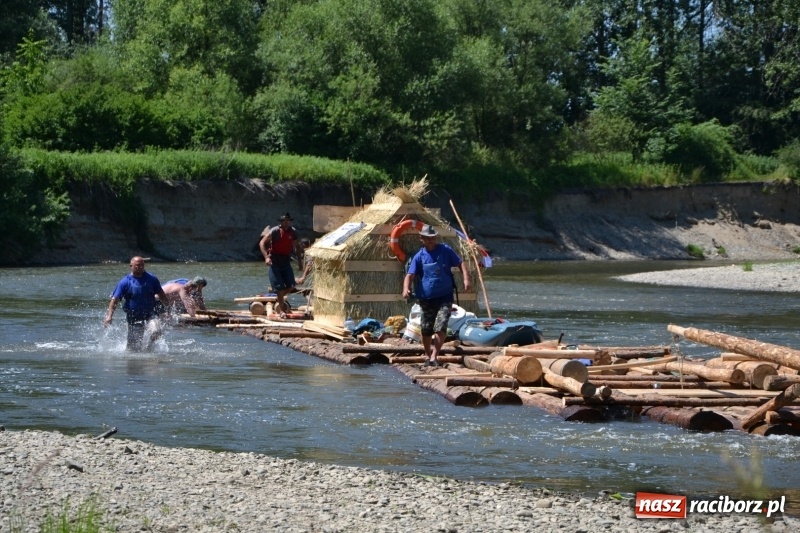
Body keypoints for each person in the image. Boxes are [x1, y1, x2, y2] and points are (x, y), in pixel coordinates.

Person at [402, 224, 471, 366]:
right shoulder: (419, 256)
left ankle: (434, 356)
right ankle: (427, 355)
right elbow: (410, 275)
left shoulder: (445, 250)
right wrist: (406, 288)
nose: (430, 240)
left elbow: (460, 263)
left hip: (445, 296)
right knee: (426, 328)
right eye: (427, 238)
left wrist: (466, 279)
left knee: (441, 324)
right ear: (421, 238)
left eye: (433, 238)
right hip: (426, 298)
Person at [104, 256, 168, 352]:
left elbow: (161, 295)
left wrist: (168, 309)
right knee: (133, 350)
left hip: (151, 314)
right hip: (133, 318)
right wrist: (109, 316)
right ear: (131, 266)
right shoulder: (125, 282)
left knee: (156, 330)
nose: (140, 267)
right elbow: (115, 300)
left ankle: (148, 349)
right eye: (138, 265)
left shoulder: (152, 279)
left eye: (142, 265)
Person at [259, 212, 304, 317]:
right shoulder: (275, 231)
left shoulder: (293, 232)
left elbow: (297, 247)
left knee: (291, 285)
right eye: (284, 221)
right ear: (281, 222)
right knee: (279, 287)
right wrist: (266, 257)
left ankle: (278, 297)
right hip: (275, 261)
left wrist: (300, 262)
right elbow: (262, 243)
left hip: (286, 260)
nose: (286, 223)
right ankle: (282, 311)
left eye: (288, 221)